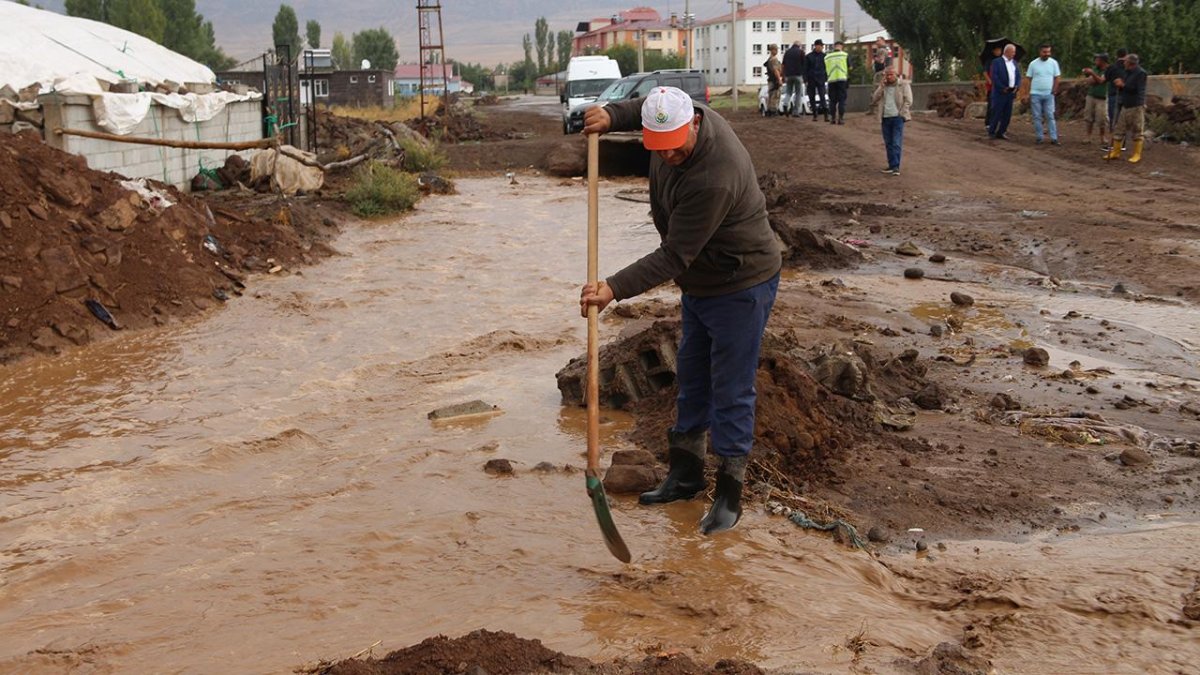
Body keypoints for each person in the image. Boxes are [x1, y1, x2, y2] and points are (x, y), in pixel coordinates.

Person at [580, 87, 783, 535]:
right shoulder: (669, 120)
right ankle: (686, 475)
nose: (667, 156)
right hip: (702, 284)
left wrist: (613, 288)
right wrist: (611, 116)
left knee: (731, 389)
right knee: (691, 378)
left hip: (741, 283)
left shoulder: (716, 174)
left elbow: (675, 255)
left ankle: (730, 494)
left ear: (692, 124)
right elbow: (646, 105)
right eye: (659, 147)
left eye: (674, 146)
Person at [1106, 53, 1147, 163]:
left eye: (1125, 61)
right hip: (1125, 104)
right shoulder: (1127, 72)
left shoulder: (1141, 74)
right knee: (1119, 128)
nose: (1123, 63)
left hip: (1136, 105)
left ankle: (1137, 154)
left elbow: (1136, 89)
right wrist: (1120, 84)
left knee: (1137, 129)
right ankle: (1116, 151)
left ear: (1130, 63)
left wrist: (1122, 85)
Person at [872, 66, 912, 176]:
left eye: (891, 74)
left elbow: (908, 100)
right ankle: (891, 165)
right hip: (885, 117)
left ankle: (895, 167)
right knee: (888, 143)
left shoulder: (903, 85)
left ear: (896, 75)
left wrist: (902, 113)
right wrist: (880, 87)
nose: (889, 77)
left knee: (896, 142)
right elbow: (874, 99)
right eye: (887, 75)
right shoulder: (883, 87)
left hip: (897, 117)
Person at [1026, 43, 1061, 145]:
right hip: (1035, 94)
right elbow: (1028, 79)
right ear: (1040, 52)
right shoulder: (1033, 64)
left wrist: (1055, 89)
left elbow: (1057, 77)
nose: (1047, 54)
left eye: (1048, 52)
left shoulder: (1053, 63)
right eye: (1045, 52)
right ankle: (1039, 137)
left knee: (1050, 115)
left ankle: (1054, 138)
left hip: (1049, 94)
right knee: (1037, 116)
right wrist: (1028, 92)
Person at [987, 43, 1021, 140]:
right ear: (1006, 52)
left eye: (1014, 52)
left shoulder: (1014, 63)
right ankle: (992, 131)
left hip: (1011, 92)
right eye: (1012, 52)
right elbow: (994, 77)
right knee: (996, 112)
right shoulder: (997, 62)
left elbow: (1018, 76)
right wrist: (1002, 88)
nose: (1014, 54)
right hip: (999, 93)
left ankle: (1001, 131)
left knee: (1007, 114)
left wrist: (1017, 86)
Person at [1081, 53, 1110, 147]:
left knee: (1101, 118)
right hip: (1091, 95)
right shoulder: (1096, 69)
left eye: (1097, 60)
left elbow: (1101, 81)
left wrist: (1092, 74)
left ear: (1103, 61)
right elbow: (1090, 81)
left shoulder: (1108, 70)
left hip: (1102, 97)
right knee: (1088, 116)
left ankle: (1102, 136)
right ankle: (1088, 136)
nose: (1095, 62)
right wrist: (1093, 77)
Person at [825, 40, 850, 125]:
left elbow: (825, 68)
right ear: (841, 46)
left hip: (831, 80)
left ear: (834, 46)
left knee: (832, 100)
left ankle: (832, 118)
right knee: (842, 100)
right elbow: (850, 67)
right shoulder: (845, 55)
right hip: (842, 79)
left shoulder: (827, 57)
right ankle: (841, 118)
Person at [805, 39, 829, 122]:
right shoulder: (809, 56)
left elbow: (827, 68)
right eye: (820, 46)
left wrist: (826, 78)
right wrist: (806, 80)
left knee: (822, 96)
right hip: (811, 79)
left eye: (822, 46)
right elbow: (805, 69)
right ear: (816, 46)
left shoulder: (825, 56)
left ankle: (826, 115)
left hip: (821, 79)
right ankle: (815, 114)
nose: (821, 47)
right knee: (812, 97)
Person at [1107, 48, 1128, 134]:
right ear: (1126, 55)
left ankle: (1113, 142)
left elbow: (1105, 79)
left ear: (1116, 55)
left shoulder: (1112, 67)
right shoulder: (1130, 67)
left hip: (1113, 95)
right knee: (1124, 120)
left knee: (1114, 119)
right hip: (1126, 95)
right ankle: (1123, 143)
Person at [782, 41, 806, 117]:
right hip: (798, 75)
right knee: (798, 93)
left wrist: (783, 75)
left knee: (788, 92)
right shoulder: (801, 52)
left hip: (788, 75)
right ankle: (795, 111)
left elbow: (783, 64)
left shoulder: (787, 52)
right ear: (799, 45)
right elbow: (804, 64)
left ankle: (785, 104)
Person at [982, 45, 1003, 130]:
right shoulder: (989, 60)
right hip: (992, 87)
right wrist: (989, 80)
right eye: (997, 50)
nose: (999, 51)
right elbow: (985, 72)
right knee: (991, 105)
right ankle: (988, 122)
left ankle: (998, 122)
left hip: (1001, 86)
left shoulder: (1003, 60)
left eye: (1000, 50)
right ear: (993, 51)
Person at [764, 44, 783, 117]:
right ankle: (773, 111)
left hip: (771, 80)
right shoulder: (774, 59)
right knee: (775, 95)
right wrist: (779, 79)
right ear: (772, 50)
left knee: (771, 95)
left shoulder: (770, 59)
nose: (777, 51)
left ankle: (769, 110)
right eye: (776, 49)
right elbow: (776, 70)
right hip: (774, 80)